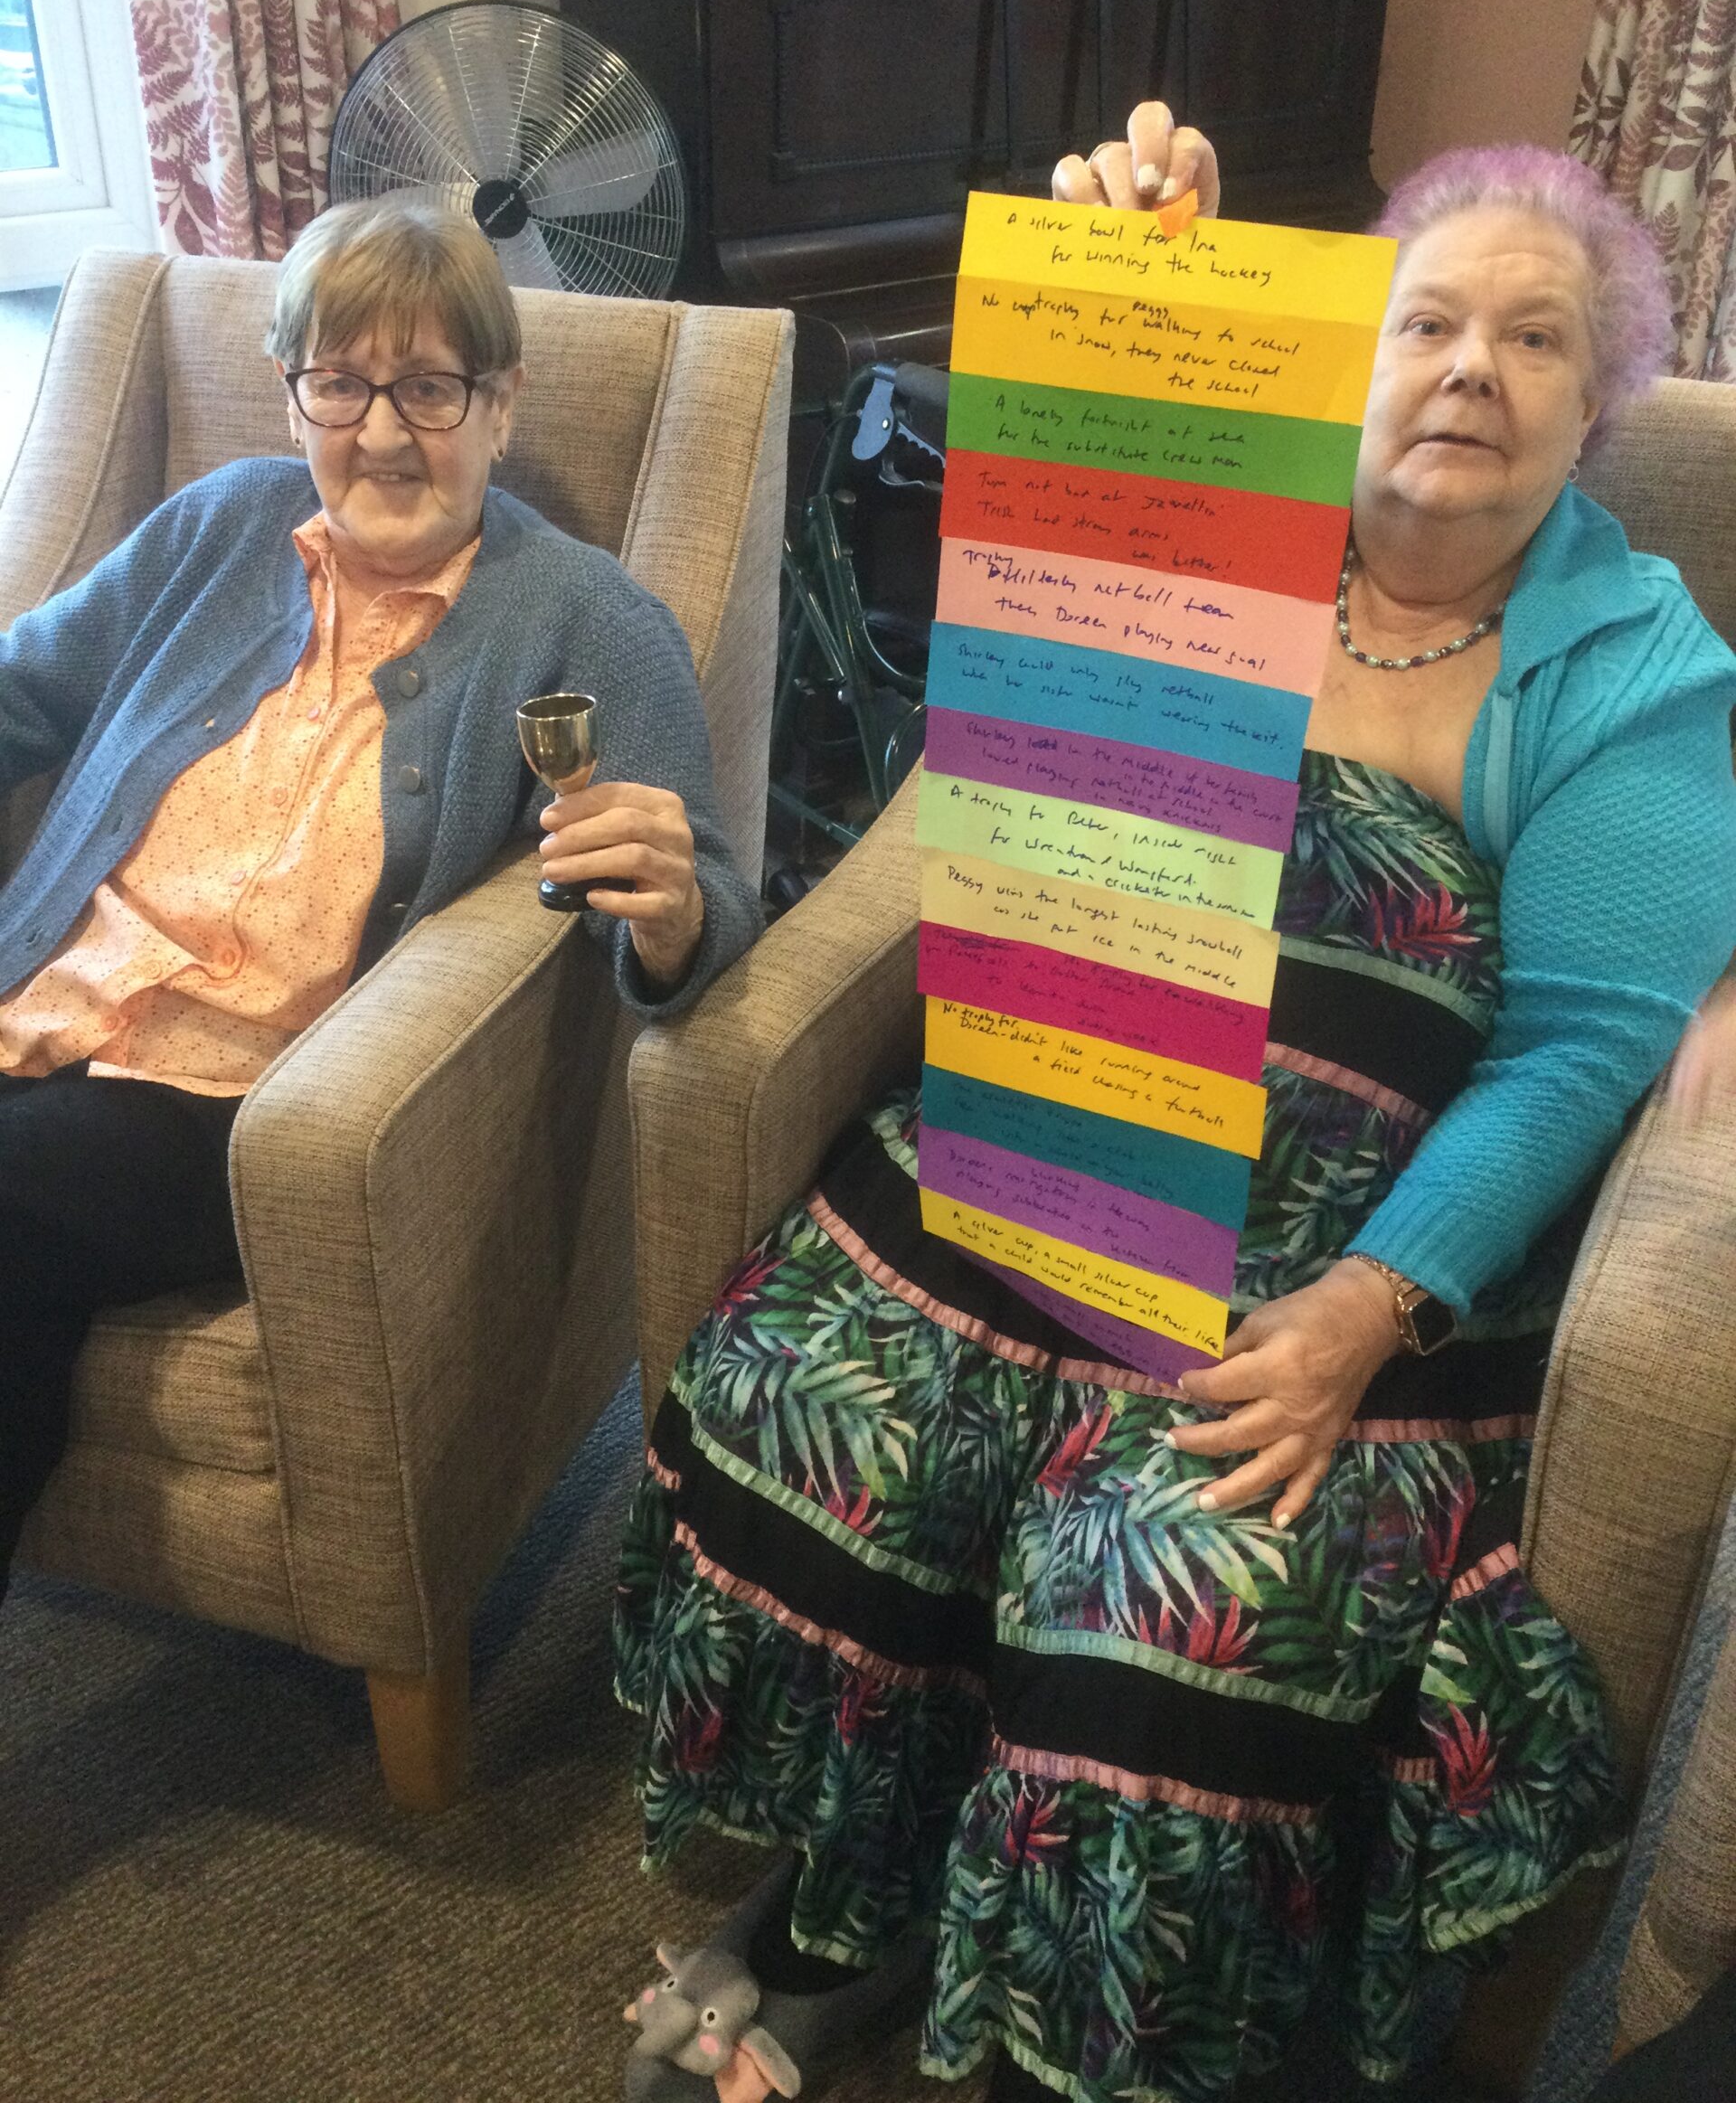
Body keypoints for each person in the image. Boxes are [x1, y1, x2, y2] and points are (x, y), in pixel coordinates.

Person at [612, 103, 1736, 2103]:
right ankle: (852, 1906)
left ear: (1605, 399)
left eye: (1539, 336)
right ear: (1354, 353)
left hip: (1341, 1259)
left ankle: (1094, 2027)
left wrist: (1368, 1308)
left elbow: (1578, 1049)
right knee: (819, 1393)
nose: (1472, 365)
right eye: (1426, 320)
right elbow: (1037, 663)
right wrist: (1137, 283)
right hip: (1057, 1156)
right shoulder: (1222, 510)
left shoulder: (1635, 672)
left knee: (1174, 1595)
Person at [0, 195, 761, 1604]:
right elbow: (27, 687)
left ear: (501, 402)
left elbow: (707, 895)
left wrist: (670, 913)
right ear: (295, 396)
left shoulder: (582, 616)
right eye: (341, 383)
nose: (385, 431)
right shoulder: (219, 530)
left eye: (429, 385)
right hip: (37, 1009)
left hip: (231, 1104)